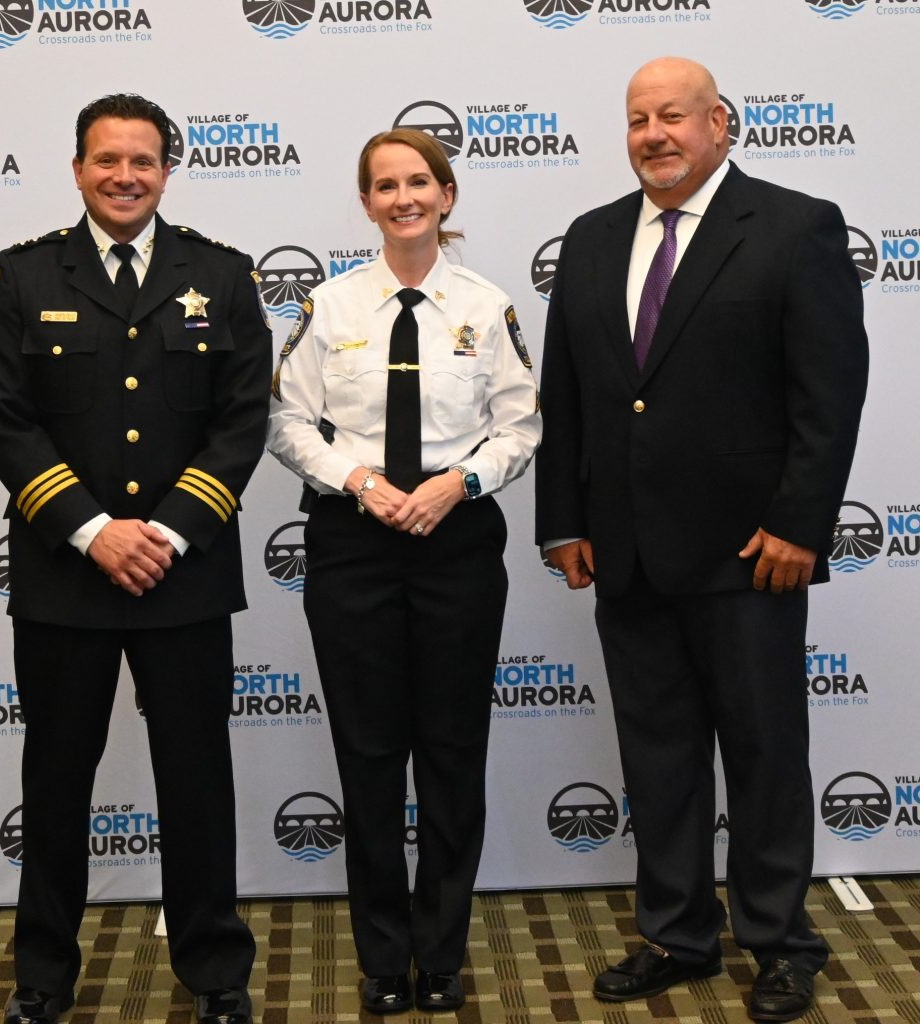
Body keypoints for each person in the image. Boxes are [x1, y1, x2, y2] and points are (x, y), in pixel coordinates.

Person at [535, 57, 867, 1023]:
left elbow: (828, 393)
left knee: (764, 754)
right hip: (626, 555)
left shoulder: (796, 225)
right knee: (659, 757)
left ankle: (779, 942)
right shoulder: (594, 239)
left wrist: (802, 525)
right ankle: (677, 933)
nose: (653, 135)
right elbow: (573, 395)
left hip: (749, 554)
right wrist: (565, 518)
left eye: (672, 116)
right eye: (638, 119)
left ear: (720, 122)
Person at [0, 93, 273, 1024]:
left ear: (167, 171)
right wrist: (97, 532)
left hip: (184, 578)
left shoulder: (220, 277)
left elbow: (241, 421)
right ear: (77, 169)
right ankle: (43, 978)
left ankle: (216, 974)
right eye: (108, 160)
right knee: (55, 784)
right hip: (67, 583)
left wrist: (168, 531)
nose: (126, 176)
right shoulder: (18, 279)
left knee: (197, 782)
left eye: (144, 161)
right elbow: (6, 424)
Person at [267, 128, 541, 1014]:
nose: (404, 198)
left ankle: (443, 952)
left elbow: (520, 426)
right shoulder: (331, 306)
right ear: (366, 203)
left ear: (447, 195)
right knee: (371, 754)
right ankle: (384, 956)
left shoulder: (486, 304)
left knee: (455, 754)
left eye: (419, 182)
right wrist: (357, 481)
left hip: (456, 545)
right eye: (384, 186)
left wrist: (458, 483)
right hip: (354, 546)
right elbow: (287, 422)